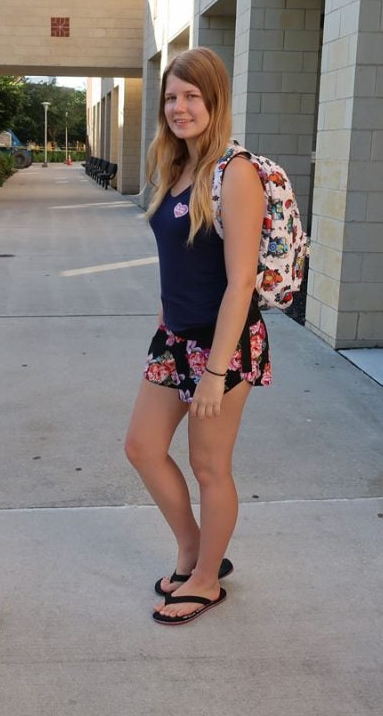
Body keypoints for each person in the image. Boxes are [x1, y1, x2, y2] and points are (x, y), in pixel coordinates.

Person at [124, 47, 272, 626]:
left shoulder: (234, 172)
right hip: (175, 336)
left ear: (214, 102)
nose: (179, 107)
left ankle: (208, 578)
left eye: (191, 96)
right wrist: (167, 323)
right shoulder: (174, 166)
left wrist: (214, 371)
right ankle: (191, 549)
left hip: (224, 344)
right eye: (171, 97)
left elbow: (240, 283)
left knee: (210, 465)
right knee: (141, 446)